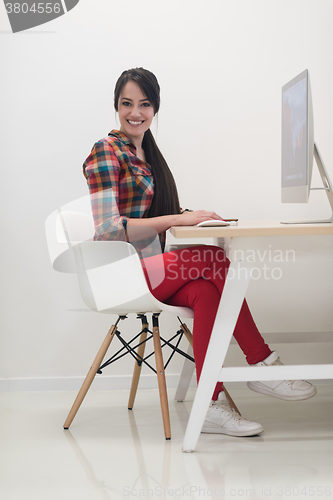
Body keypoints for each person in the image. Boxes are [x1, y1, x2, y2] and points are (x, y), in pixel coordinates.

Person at [83, 67, 316, 437]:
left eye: (144, 104)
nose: (135, 112)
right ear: (116, 106)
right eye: (127, 103)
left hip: (150, 270)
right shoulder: (106, 152)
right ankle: (262, 363)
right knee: (213, 259)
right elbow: (110, 228)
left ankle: (210, 404)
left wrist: (194, 218)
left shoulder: (147, 153)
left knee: (207, 291)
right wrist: (179, 218)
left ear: (155, 108)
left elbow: (151, 215)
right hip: (120, 274)